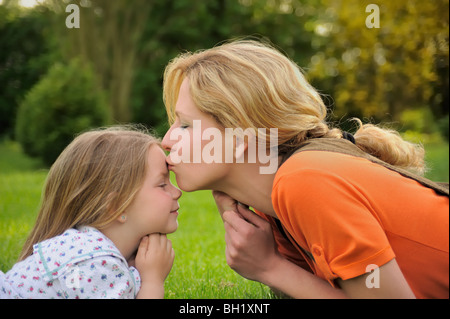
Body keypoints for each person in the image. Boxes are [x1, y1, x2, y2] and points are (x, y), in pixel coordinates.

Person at [161, 39, 449, 298]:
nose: (166, 140)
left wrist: (270, 267)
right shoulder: (270, 210)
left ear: (240, 136)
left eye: (185, 124)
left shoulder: (306, 181)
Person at [1, 126, 181, 299]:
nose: (177, 192)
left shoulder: (92, 251)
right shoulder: (97, 264)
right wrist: (152, 282)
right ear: (116, 206)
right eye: (162, 184)